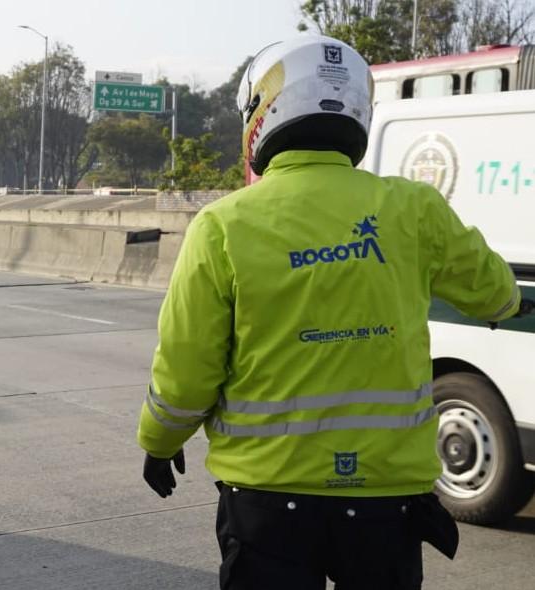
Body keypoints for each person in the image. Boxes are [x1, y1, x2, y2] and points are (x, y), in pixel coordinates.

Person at [137, 35, 532, 590]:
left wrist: (160, 442)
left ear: (262, 111)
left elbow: (186, 368)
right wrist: (515, 302)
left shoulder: (224, 226)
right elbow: (492, 292)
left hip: (267, 499)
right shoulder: (412, 208)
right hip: (386, 504)